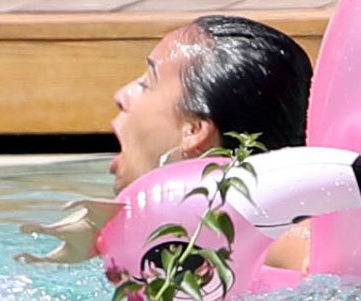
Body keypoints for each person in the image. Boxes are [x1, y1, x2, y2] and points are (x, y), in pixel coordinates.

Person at [110, 15, 315, 270]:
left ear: (194, 129)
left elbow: (315, 251)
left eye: (146, 84)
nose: (120, 95)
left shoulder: (260, 230)